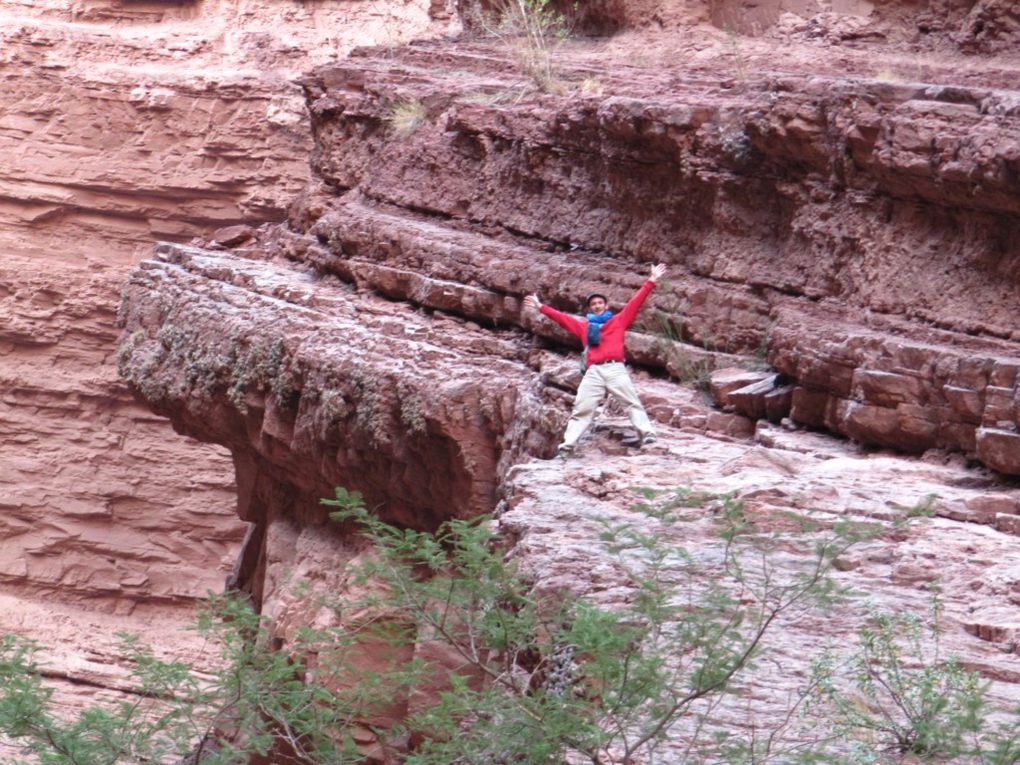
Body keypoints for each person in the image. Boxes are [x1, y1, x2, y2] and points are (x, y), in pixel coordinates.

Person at [524, 263, 667, 458]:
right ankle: (567, 447)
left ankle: (647, 434)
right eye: (593, 304)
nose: (597, 306)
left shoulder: (618, 321)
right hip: (594, 372)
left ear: (606, 306)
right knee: (582, 408)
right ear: (590, 309)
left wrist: (651, 280)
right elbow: (562, 318)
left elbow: (635, 302)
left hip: (615, 368)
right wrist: (541, 307)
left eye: (600, 303)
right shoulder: (584, 326)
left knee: (631, 401)